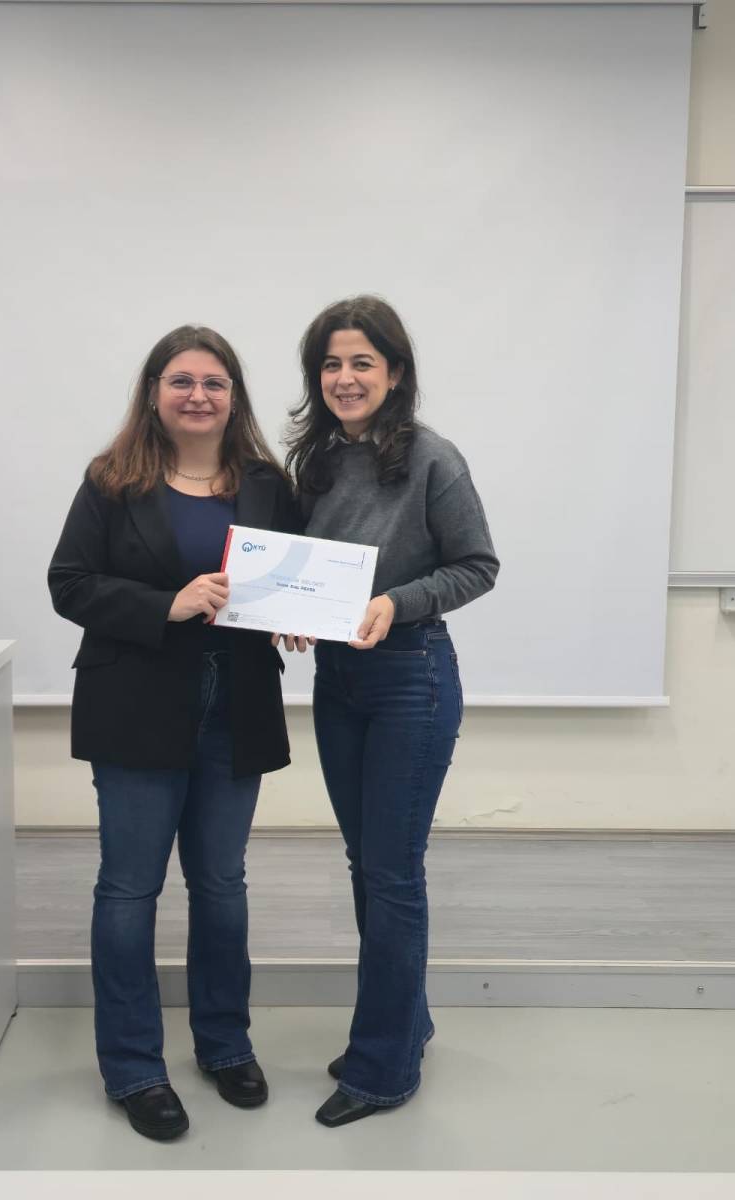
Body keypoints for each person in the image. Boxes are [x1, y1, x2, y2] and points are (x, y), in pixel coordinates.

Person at [48, 325, 298, 1141]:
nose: (198, 395)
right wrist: (167, 604)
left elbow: (297, 577)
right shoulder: (112, 480)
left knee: (221, 885)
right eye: (181, 381)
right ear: (154, 393)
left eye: (214, 382)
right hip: (135, 704)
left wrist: (302, 617)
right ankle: (134, 1068)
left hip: (238, 705)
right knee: (130, 890)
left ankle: (225, 1046)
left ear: (235, 396)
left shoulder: (267, 484)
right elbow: (69, 583)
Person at [283, 296, 500, 1127]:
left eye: (362, 363)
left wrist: (396, 603)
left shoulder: (434, 459)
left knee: (392, 872)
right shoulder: (317, 462)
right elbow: (305, 569)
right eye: (331, 364)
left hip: (411, 678)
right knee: (366, 863)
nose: (345, 378)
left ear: (396, 372)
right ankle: (405, 1023)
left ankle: (383, 1069)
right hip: (336, 681)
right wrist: (290, 612)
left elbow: (476, 565)